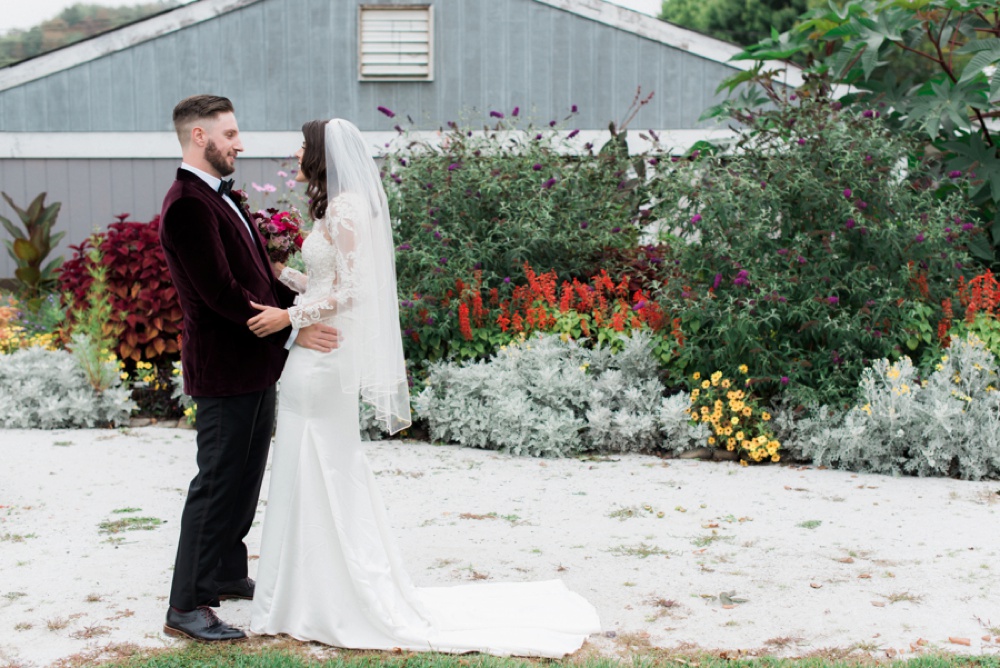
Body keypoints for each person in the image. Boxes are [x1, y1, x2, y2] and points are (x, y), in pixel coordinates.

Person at [245, 118, 601, 657]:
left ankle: (320, 593)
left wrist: (288, 316)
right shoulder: (334, 207)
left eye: (301, 145)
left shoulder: (343, 209)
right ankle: (303, 589)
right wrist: (284, 277)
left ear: (320, 155)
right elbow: (327, 283)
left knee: (320, 465)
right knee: (309, 466)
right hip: (313, 350)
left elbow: (357, 289)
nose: (295, 152)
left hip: (320, 358)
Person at [158, 95, 341, 642]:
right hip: (223, 365)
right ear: (199, 137)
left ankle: (227, 572)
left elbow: (258, 277)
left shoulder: (222, 197)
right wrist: (293, 327)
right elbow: (220, 294)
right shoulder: (187, 204)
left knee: (244, 477)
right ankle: (186, 606)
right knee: (215, 482)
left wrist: (292, 306)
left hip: (255, 364)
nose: (240, 143)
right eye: (230, 134)